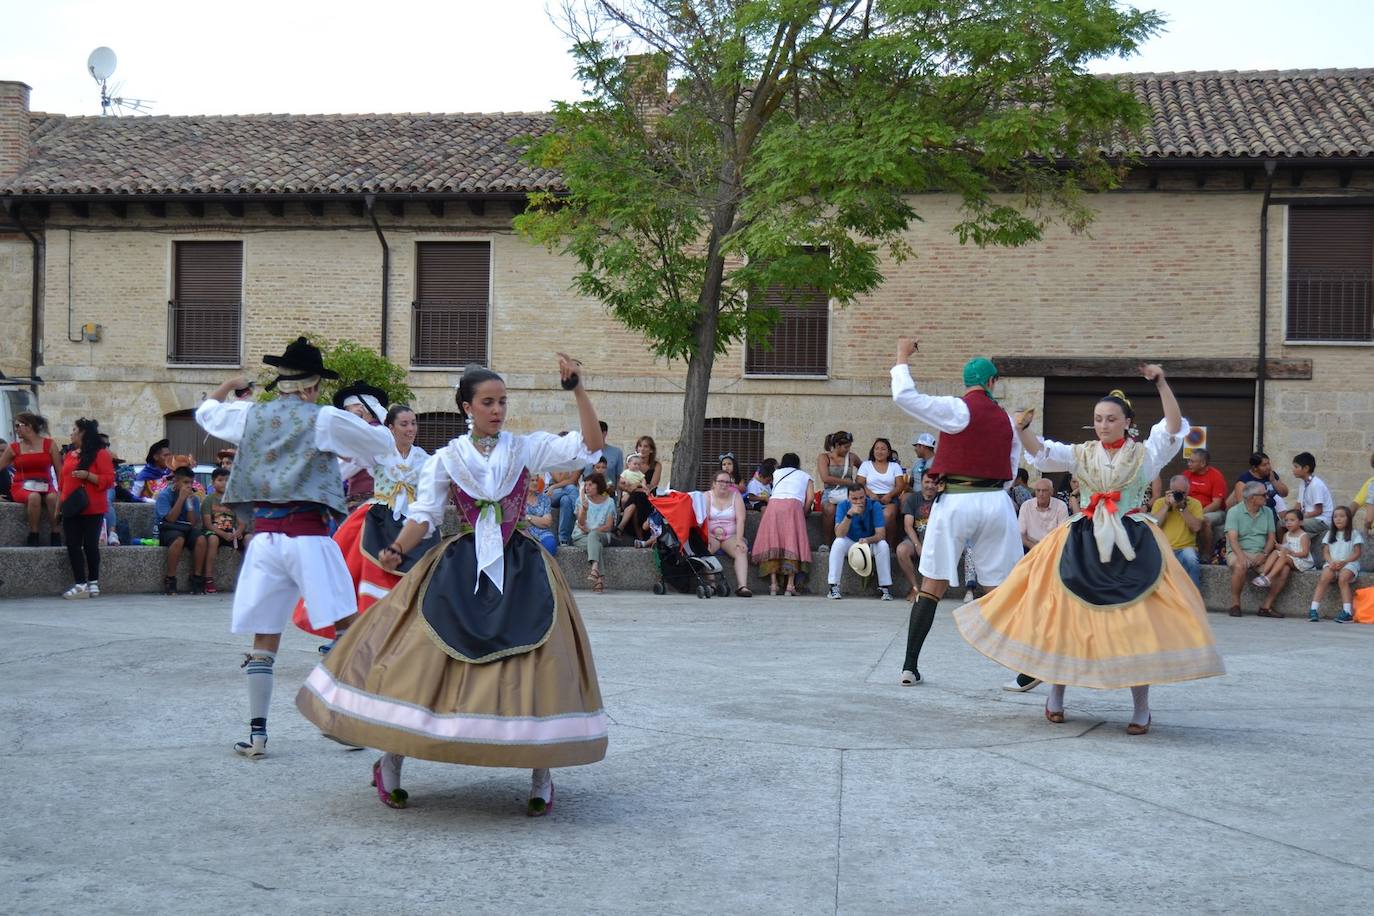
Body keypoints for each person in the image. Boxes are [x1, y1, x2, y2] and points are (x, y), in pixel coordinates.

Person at [294, 356, 608, 816]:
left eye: (502, 401)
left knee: (537, 663)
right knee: (421, 661)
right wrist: (398, 549)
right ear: (467, 406)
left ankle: (542, 775)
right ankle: (392, 761)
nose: (497, 409)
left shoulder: (524, 448)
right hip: (459, 563)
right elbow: (423, 514)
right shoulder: (445, 458)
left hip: (520, 566)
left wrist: (578, 389)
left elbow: (590, 446)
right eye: (488, 402)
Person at [955, 368, 1224, 734]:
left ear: (1128, 422)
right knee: (1065, 617)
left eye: (1111, 419)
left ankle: (1141, 708)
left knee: (1136, 623)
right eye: (1098, 419)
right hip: (1083, 535)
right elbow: (1042, 454)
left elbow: (1174, 426)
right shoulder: (1082, 453)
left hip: (1131, 539)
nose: (1103, 425)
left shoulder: (1145, 453)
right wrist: (1022, 429)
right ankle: (1056, 696)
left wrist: (1161, 384)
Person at [195, 336, 395, 758]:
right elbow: (381, 446)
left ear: (283, 380)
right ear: (312, 385)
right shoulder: (322, 419)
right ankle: (345, 724)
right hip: (308, 537)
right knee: (345, 630)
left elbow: (206, 413)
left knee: (264, 637)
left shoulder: (250, 415)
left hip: (265, 539)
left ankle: (257, 735)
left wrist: (230, 383)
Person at [890, 340, 1022, 685]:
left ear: (968, 382)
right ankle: (1028, 668)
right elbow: (1012, 466)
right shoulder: (1008, 420)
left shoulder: (958, 409)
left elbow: (906, 397)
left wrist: (903, 356)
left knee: (933, 582)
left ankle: (909, 666)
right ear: (992, 382)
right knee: (999, 590)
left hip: (957, 501)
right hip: (996, 501)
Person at [292, 403, 436, 650]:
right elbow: (341, 469)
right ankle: (350, 633)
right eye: (404, 424)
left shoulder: (425, 458)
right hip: (377, 519)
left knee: (416, 578)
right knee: (358, 573)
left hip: (412, 522)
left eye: (413, 423)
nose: (410, 428)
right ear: (390, 428)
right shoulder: (377, 452)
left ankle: (403, 637)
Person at [58, 418, 114, 599]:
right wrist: (58, 506)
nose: (71, 433)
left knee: (90, 545)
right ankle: (80, 583)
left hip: (92, 506)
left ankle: (93, 581)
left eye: (74, 429)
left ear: (83, 432)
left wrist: (88, 475)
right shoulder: (70, 454)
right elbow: (62, 483)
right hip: (71, 506)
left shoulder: (101, 454)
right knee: (73, 545)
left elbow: (108, 480)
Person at [751, 452, 814, 596]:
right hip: (793, 507)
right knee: (791, 545)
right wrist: (803, 513)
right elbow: (810, 499)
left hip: (773, 506)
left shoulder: (777, 473)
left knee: (773, 544)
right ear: (798, 464)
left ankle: (773, 585)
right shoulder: (805, 476)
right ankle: (790, 586)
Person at [1, 411, 61, 545]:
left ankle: (55, 533)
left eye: (18, 426)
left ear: (28, 426)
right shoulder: (14, 447)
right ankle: (34, 534)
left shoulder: (49, 444)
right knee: (34, 497)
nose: (16, 430)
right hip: (21, 486)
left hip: (46, 484)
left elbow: (59, 470)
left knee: (52, 498)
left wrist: (62, 490)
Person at [827, 482, 894, 600]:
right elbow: (839, 534)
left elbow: (881, 534)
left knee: (883, 545)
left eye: (861, 497)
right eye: (854, 498)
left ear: (865, 496)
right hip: (850, 542)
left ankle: (885, 587)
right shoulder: (843, 506)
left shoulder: (874, 506)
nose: (859, 501)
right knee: (838, 543)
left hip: (869, 541)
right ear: (848, 498)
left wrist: (868, 540)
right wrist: (849, 515)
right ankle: (833, 586)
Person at [1225, 482, 1278, 617]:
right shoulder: (1234, 512)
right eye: (1264, 495)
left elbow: (1272, 538)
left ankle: (1266, 606)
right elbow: (1233, 540)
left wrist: (1264, 554)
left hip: (1260, 553)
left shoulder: (1268, 512)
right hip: (1238, 551)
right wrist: (1243, 557)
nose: (1267, 497)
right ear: (1252, 497)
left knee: (1283, 570)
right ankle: (1235, 604)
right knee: (1240, 565)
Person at [334, 380, 389, 510]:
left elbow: (339, 471)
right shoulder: (381, 432)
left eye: (348, 410)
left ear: (360, 409)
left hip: (365, 507)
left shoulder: (369, 435)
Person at [155, 465, 207, 595]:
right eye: (185, 482)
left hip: (186, 527)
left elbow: (193, 522)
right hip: (168, 528)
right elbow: (170, 519)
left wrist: (189, 503)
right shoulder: (164, 496)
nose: (188, 486)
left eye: (190, 482)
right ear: (176, 481)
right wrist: (181, 499)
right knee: (178, 540)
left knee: (201, 539)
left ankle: (197, 578)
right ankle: (170, 579)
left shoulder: (193, 498)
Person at [1148, 473, 1204, 589]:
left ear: (1188, 491)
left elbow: (1196, 528)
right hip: (1164, 547)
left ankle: (1193, 599)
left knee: (1191, 559)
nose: (1180, 496)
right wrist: (1166, 506)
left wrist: (1182, 508)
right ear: (1170, 491)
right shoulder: (1160, 503)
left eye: (1183, 493)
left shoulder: (1195, 504)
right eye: (1176, 492)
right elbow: (1154, 525)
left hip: (1186, 548)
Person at [1251, 508, 1312, 608]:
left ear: (1301, 522)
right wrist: (1281, 548)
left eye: (1292, 520)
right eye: (1286, 520)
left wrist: (1289, 552)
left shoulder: (1303, 536)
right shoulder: (1286, 535)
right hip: (1289, 559)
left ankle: (1268, 578)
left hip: (1301, 560)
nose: (1288, 523)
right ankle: (1264, 574)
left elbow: (1305, 553)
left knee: (1284, 557)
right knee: (1276, 552)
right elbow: (1284, 550)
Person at [705, 469, 753, 596]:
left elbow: (741, 519)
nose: (724, 484)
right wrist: (706, 537)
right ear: (714, 483)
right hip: (711, 535)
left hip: (730, 536)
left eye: (727, 482)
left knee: (741, 550)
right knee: (705, 549)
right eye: (720, 481)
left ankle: (742, 586)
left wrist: (739, 539)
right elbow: (703, 520)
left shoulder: (736, 496)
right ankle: (712, 585)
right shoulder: (707, 496)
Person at [201, 466, 248, 594]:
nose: (224, 483)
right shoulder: (209, 500)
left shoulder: (234, 500)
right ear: (212, 482)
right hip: (216, 531)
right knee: (212, 539)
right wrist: (222, 534)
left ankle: (248, 578)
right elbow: (208, 524)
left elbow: (241, 522)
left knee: (249, 539)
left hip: (233, 532)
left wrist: (239, 531)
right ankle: (208, 578)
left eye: (227, 480)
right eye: (220, 480)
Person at [1313, 506, 1363, 623]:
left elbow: (1357, 553)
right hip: (1332, 562)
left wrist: (1344, 562)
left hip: (1349, 563)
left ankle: (1347, 612)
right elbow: (1325, 552)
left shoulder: (1354, 534)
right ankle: (1313, 609)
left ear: (1348, 519)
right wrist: (1331, 562)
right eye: (1335, 517)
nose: (1338, 519)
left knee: (1343, 579)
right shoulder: (1330, 534)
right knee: (1324, 578)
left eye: (1342, 516)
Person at [896, 470, 937, 600]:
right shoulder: (913, 498)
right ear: (922, 483)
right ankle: (915, 588)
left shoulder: (942, 499)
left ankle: (928, 591)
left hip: (935, 540)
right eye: (927, 482)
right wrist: (917, 545)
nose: (930, 485)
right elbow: (908, 525)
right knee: (901, 550)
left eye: (933, 482)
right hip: (916, 538)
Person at [857, 437, 905, 547]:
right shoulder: (866, 465)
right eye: (877, 448)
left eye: (883, 449)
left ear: (888, 452)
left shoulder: (895, 466)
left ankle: (888, 545)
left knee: (887, 515)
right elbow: (860, 483)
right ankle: (865, 543)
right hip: (869, 497)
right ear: (873, 451)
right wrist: (870, 494)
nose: (879, 451)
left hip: (890, 498)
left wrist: (889, 495)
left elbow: (900, 485)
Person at [572, 472, 616, 592]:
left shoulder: (609, 502)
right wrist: (584, 510)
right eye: (585, 485)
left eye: (590, 485)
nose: (587, 488)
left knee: (593, 536)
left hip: (602, 535)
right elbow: (580, 523)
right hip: (581, 537)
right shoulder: (582, 500)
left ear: (599, 486)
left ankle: (595, 568)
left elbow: (608, 526)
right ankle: (599, 578)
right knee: (597, 546)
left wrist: (592, 530)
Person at [1183, 447, 1228, 561]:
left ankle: (1206, 554)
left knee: (1205, 520)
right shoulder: (1186, 474)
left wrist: (1198, 513)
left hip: (1214, 511)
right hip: (1189, 509)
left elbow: (1216, 504)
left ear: (1202, 463)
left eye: (1192, 461)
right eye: (1189, 461)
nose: (1189, 464)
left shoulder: (1216, 476)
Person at [815, 431, 858, 542]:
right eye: (846, 447)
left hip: (848, 493)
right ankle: (827, 542)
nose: (848, 450)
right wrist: (847, 482)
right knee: (829, 509)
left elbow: (864, 469)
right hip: (831, 491)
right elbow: (825, 478)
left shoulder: (852, 457)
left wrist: (857, 483)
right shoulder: (824, 457)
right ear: (837, 445)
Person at [1228, 451, 1288, 516]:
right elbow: (1242, 504)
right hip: (1255, 513)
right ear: (1255, 468)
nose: (1268, 467)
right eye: (1264, 465)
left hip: (1272, 512)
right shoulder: (1244, 480)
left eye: (1268, 463)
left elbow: (1284, 493)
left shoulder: (1271, 475)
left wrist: (1273, 481)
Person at [1292, 451, 1332, 549]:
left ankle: (1298, 553)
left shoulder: (1316, 484)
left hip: (1321, 520)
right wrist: (1291, 515)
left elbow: (1318, 511)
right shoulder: (1303, 484)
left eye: (1296, 467)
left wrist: (1300, 517)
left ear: (1306, 468)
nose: (1293, 470)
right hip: (1309, 518)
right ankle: (1287, 549)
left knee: (1293, 524)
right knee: (1283, 523)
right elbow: (1298, 505)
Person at [1019, 477, 1070, 554]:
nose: (1041, 494)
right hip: (1031, 548)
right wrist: (1032, 546)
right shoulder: (1026, 506)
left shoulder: (1061, 506)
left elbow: (1063, 533)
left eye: (1044, 491)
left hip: (1053, 548)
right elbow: (1021, 533)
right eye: (1038, 490)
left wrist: (1047, 548)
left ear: (1051, 492)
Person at [548, 459, 583, 547]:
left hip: (567, 493)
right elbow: (559, 478)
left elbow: (573, 481)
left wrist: (555, 485)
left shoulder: (579, 462)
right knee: (571, 488)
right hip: (552, 493)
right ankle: (579, 514)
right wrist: (567, 465)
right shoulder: (552, 460)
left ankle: (564, 539)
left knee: (566, 500)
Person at [525, 472, 559, 553]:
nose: (535, 483)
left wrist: (528, 517)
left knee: (551, 544)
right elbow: (520, 521)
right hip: (525, 534)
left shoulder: (544, 498)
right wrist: (540, 520)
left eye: (537, 480)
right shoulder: (518, 500)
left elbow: (547, 522)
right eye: (532, 480)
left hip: (543, 533)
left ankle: (546, 565)